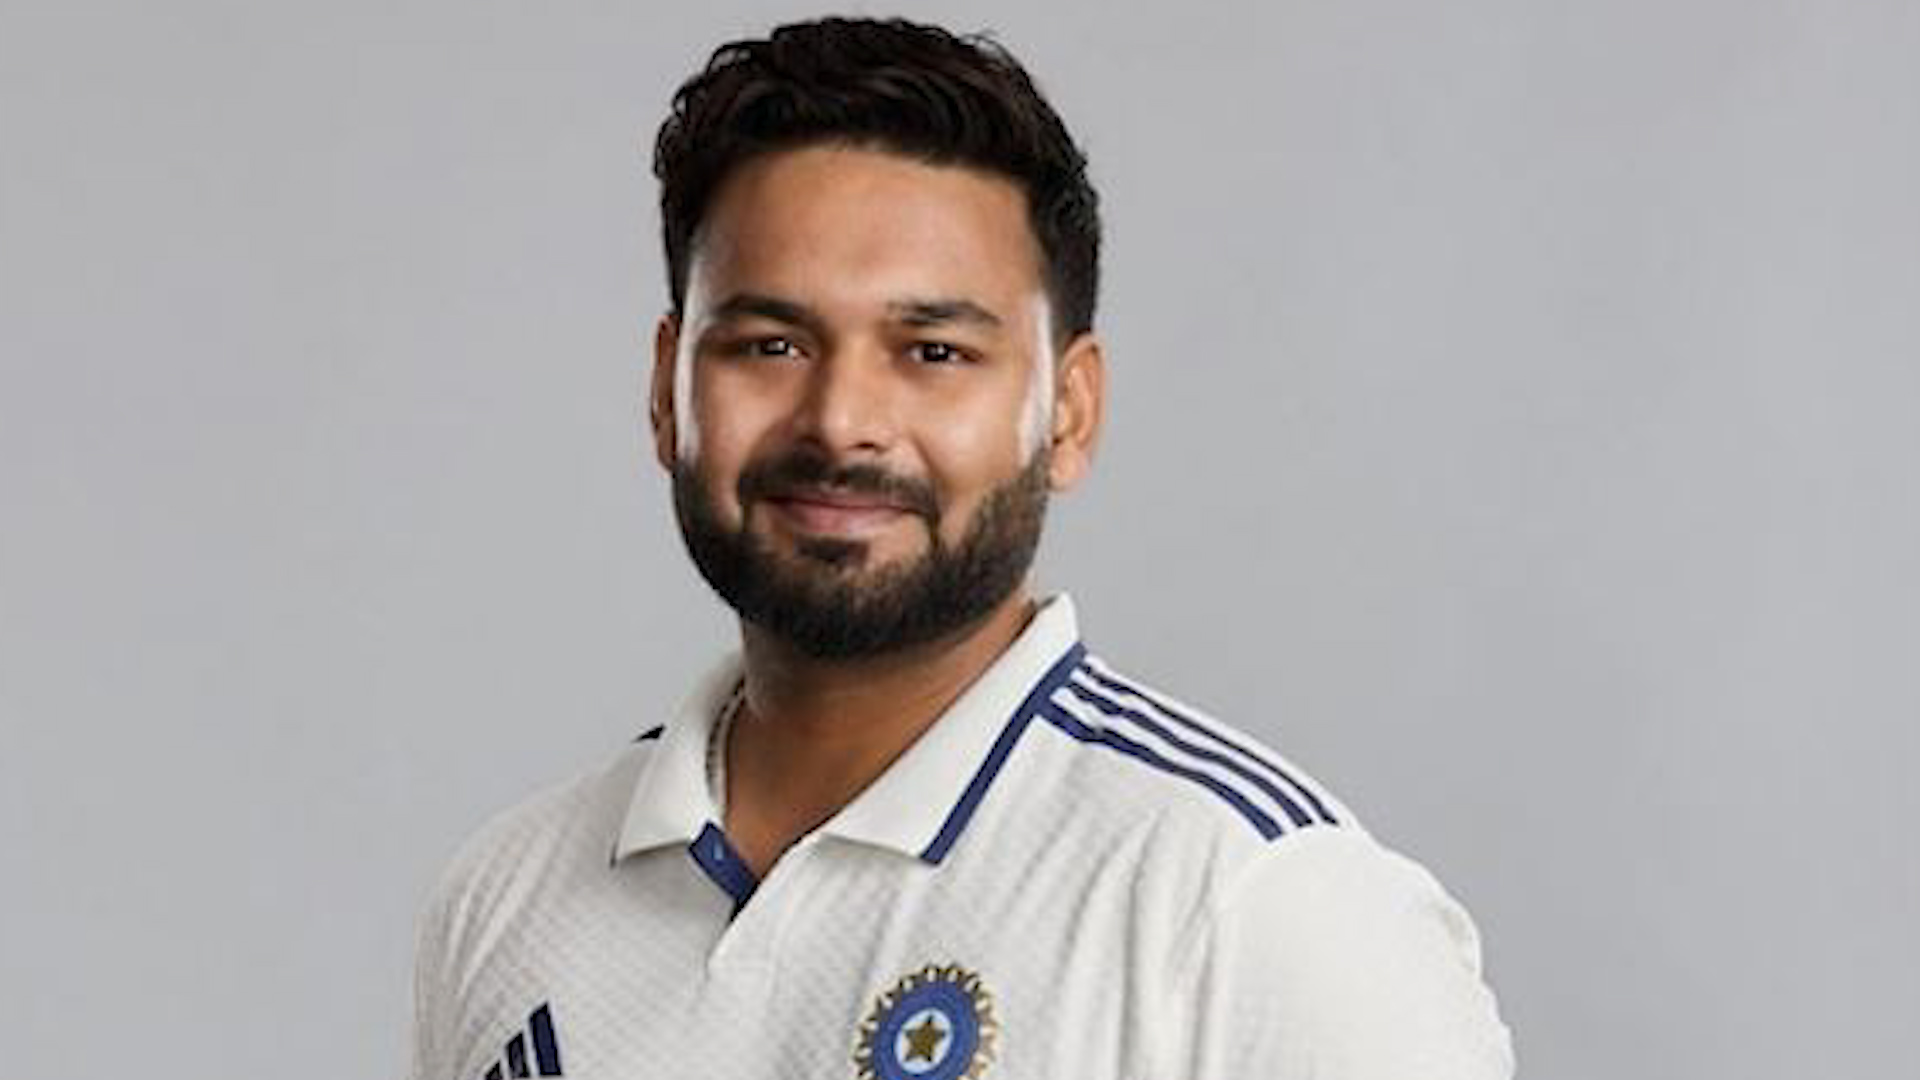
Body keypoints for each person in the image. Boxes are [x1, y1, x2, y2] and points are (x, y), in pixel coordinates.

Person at [407, 16, 1514, 1080]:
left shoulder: (1253, 905)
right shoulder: (508, 897)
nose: (841, 422)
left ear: (1068, 412)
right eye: (772, 345)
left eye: (932, 351)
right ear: (667, 389)